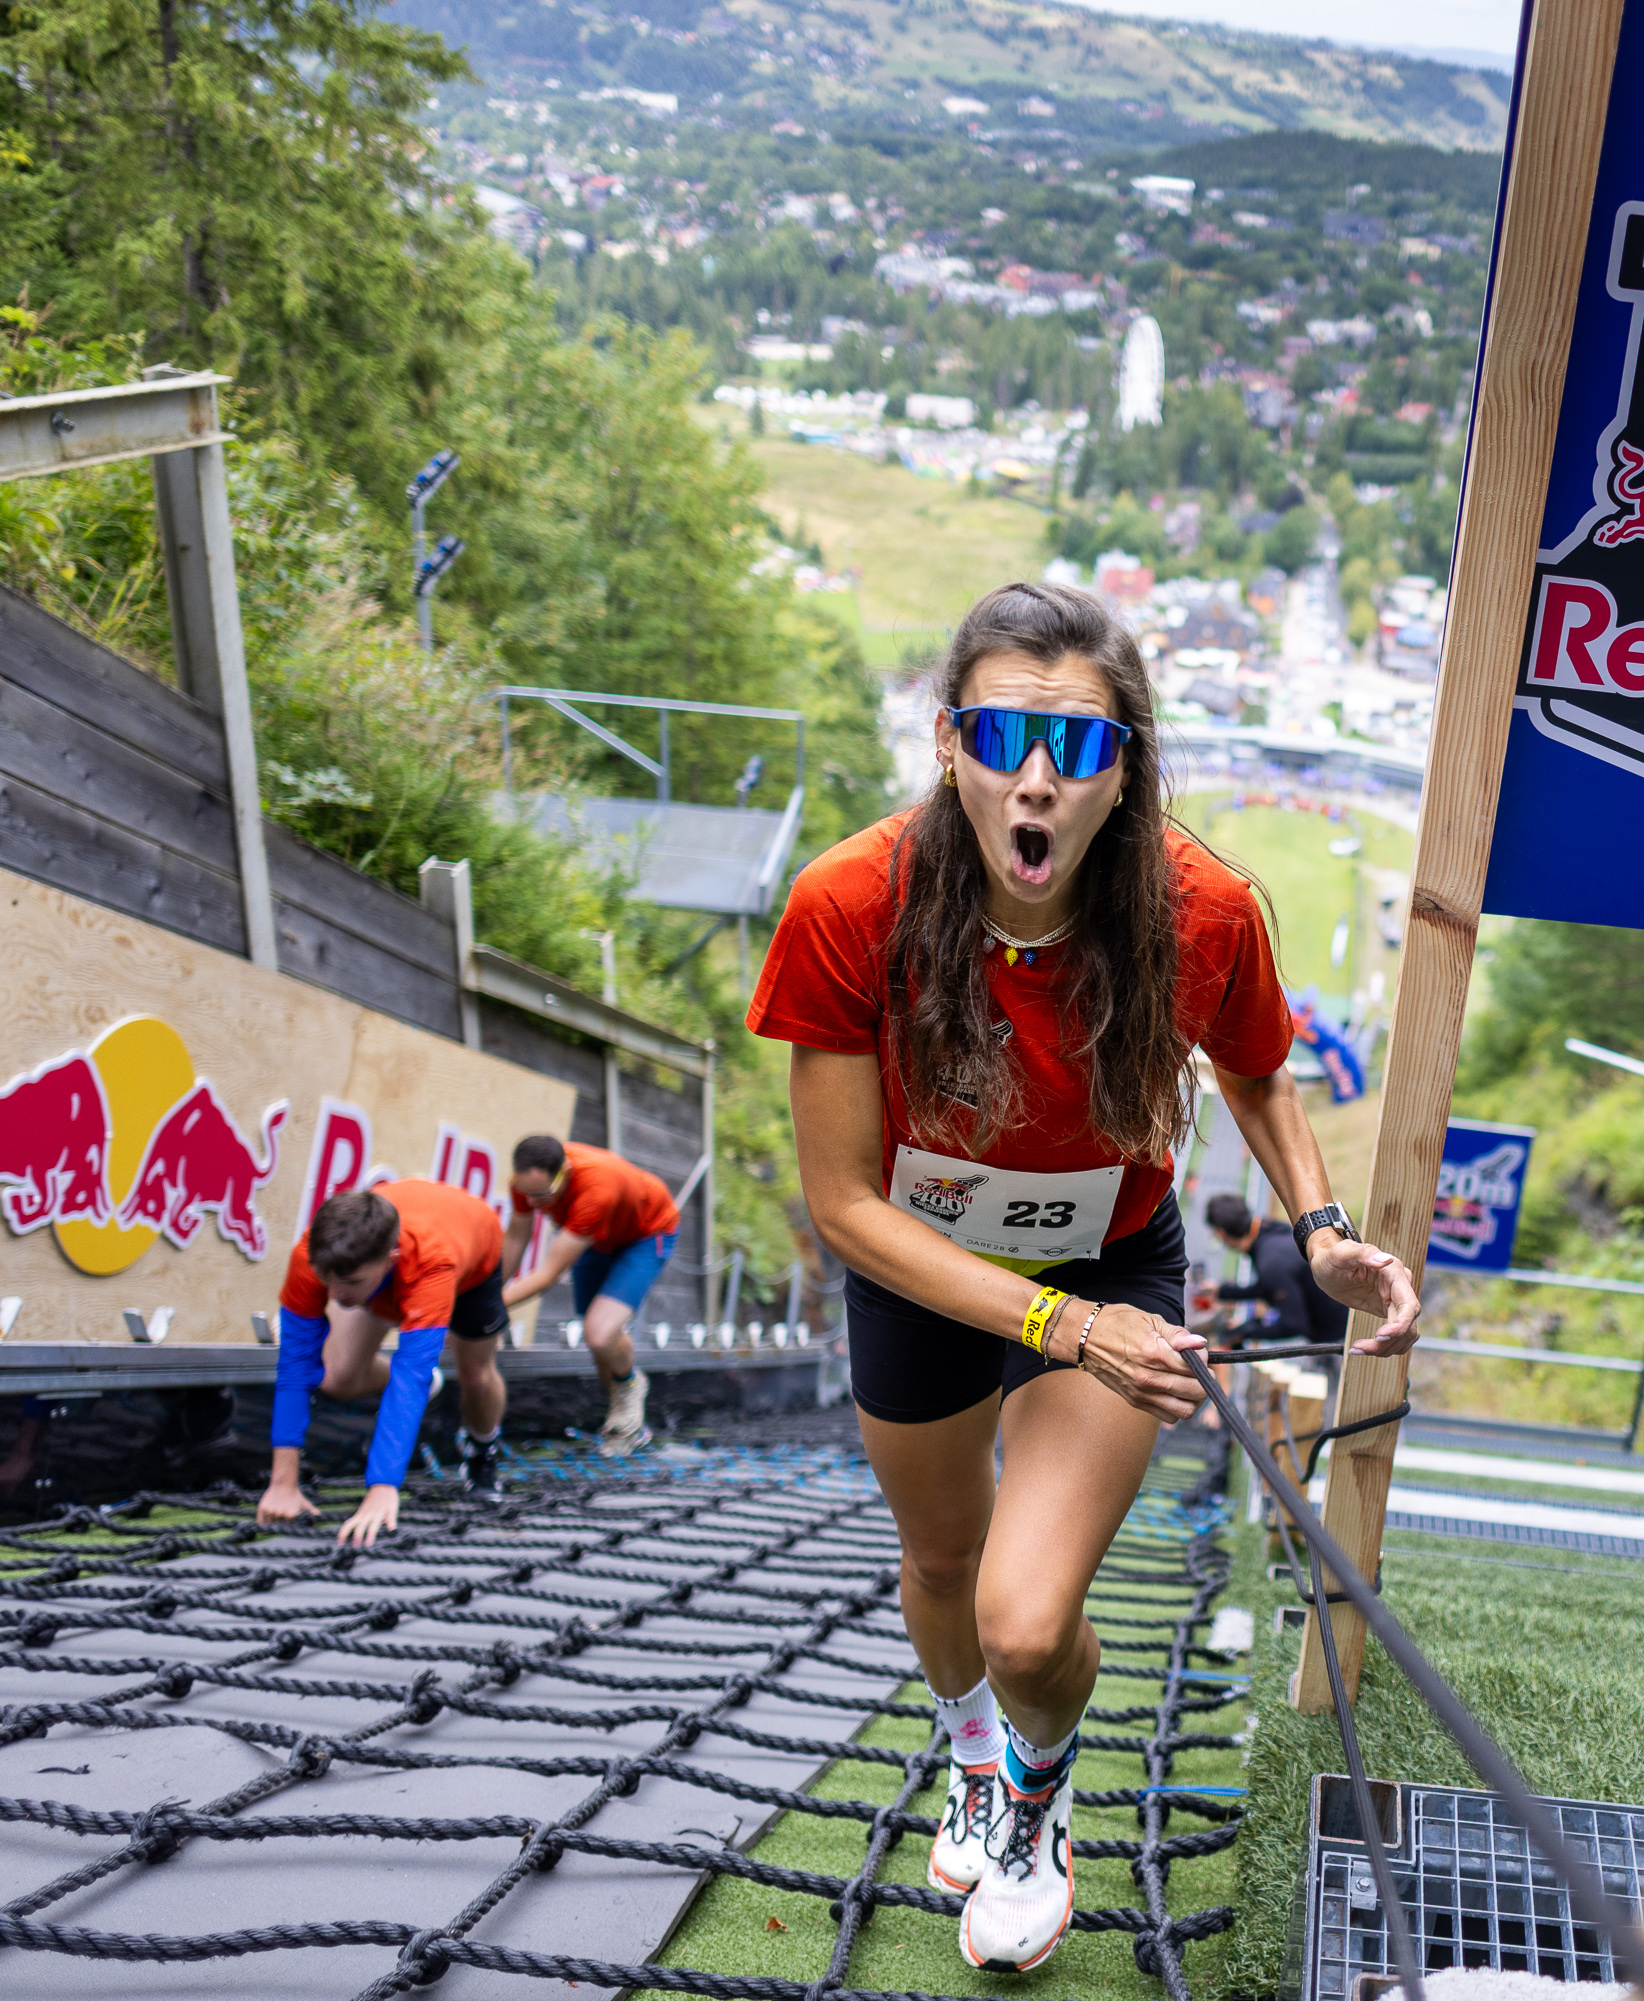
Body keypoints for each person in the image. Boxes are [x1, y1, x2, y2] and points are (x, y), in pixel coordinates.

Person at [752, 581, 1421, 1974]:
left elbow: (1253, 1070)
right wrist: (1053, 1321)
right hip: (923, 1270)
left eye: (1078, 746)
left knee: (1025, 1612)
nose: (1036, 777)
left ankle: (1039, 1801)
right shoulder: (846, 903)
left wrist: (1321, 1226)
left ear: (1127, 768)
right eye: (1001, 738)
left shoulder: (1206, 910)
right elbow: (841, 1202)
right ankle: (974, 1751)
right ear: (949, 748)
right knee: (941, 1562)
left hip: (1110, 1262)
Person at [257, 1180, 514, 1548]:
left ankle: (482, 1448)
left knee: (474, 1375)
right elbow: (296, 1365)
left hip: (473, 1259)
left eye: (348, 1282)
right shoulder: (313, 1259)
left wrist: (382, 1487)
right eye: (325, 1281)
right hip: (386, 1278)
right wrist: (283, 1483)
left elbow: (411, 1375)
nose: (334, 1295)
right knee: (339, 1376)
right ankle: (434, 1389)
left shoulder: (432, 1263)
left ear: (389, 1260)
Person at [501, 1135, 678, 1453]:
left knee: (599, 1332)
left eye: (543, 1195)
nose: (532, 1203)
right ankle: (623, 1422)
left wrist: (486, 1306)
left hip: (646, 1233)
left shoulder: (597, 1189)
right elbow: (516, 1235)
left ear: (565, 1171)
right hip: (597, 1238)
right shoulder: (528, 1180)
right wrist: (486, 1290)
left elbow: (547, 1275)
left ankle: (630, 1387)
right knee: (597, 1339)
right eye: (526, 1194)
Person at [1203, 1193, 1349, 1353]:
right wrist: (1222, 1292)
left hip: (1339, 1338)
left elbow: (1293, 1325)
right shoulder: (1272, 1229)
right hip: (1347, 1309)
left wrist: (1243, 1333)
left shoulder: (1269, 1263)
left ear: (1220, 1233)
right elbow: (1271, 1286)